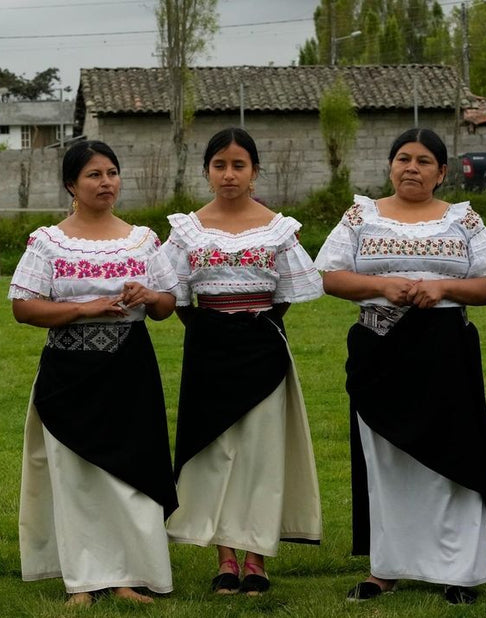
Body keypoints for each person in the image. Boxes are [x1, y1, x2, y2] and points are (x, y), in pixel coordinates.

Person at [315, 128, 486, 605]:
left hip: (444, 351)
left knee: (451, 458)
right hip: (380, 350)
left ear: (442, 173)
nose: (411, 168)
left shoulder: (463, 220)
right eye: (403, 158)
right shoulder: (362, 214)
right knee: (386, 461)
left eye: (424, 161)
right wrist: (382, 286)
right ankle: (386, 568)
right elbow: (331, 275)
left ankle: (459, 572)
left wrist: (442, 288)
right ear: (389, 165)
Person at [11, 140, 178, 607]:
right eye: (94, 175)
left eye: (112, 173)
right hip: (69, 371)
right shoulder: (49, 241)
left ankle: (130, 577)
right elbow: (23, 308)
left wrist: (148, 295)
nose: (106, 183)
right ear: (71, 185)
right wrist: (84, 309)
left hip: (129, 368)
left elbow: (168, 305)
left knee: (130, 474)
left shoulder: (142, 240)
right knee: (77, 477)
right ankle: (84, 581)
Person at [161, 127, 323, 596]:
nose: (229, 174)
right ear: (206, 172)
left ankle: (256, 559)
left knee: (259, 455)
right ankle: (225, 558)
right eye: (219, 165)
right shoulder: (186, 230)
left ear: (254, 172)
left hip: (263, 349)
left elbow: (289, 293)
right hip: (208, 349)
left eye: (239, 165)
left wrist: (253, 324)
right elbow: (172, 294)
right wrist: (214, 327)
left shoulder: (278, 229)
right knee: (215, 453)